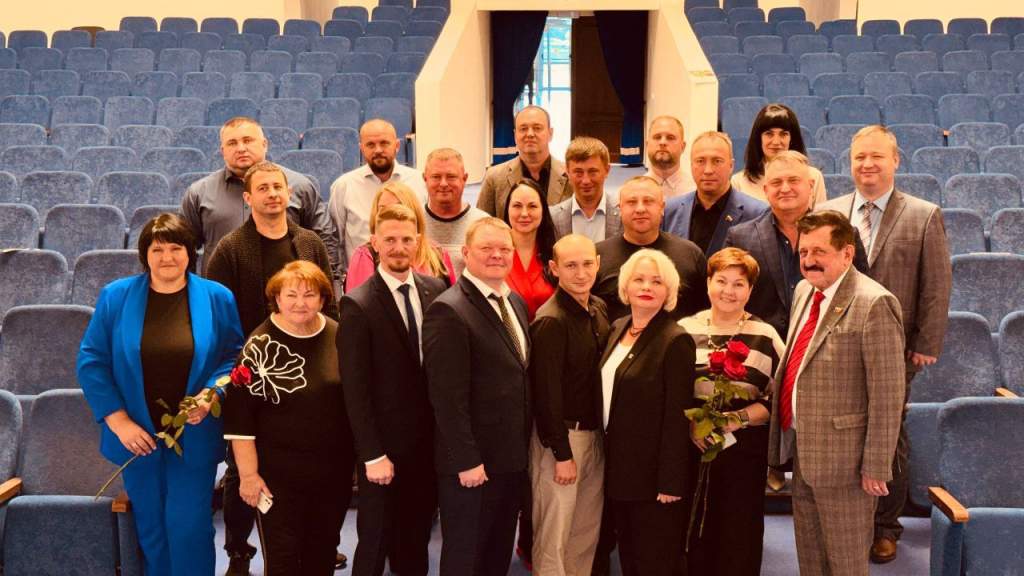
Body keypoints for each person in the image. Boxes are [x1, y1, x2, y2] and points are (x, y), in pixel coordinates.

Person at [77, 213, 245, 576]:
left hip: (194, 434)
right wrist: (119, 421)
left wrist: (210, 395)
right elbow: (92, 361)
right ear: (145, 255)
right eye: (157, 250)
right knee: (151, 530)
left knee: (189, 528)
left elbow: (233, 356)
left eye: (175, 248)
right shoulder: (116, 296)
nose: (167, 257)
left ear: (190, 252)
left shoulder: (217, 297)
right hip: (137, 437)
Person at [817, 125, 952, 564]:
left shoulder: (923, 214)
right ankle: (846, 521)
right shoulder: (829, 212)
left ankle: (885, 527)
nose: (867, 164)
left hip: (896, 348)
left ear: (895, 160)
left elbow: (936, 285)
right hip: (837, 347)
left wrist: (927, 341)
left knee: (888, 434)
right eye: (859, 157)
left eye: (876, 156)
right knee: (842, 434)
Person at [204, 161, 339, 575]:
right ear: (248, 198)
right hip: (253, 369)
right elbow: (219, 317)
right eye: (262, 188)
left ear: (289, 193)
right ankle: (239, 549)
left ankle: (310, 543)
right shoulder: (231, 248)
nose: (272, 195)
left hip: (311, 356)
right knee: (244, 468)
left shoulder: (309, 242)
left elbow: (328, 301)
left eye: (278, 187)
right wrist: (240, 367)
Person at [768, 210, 905, 576]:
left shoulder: (874, 302)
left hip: (849, 465)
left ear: (847, 253)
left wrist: (876, 466)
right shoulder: (804, 291)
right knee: (811, 561)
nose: (809, 261)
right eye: (803, 252)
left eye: (819, 252)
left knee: (846, 565)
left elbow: (888, 395)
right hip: (805, 452)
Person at [223, 261, 354, 575]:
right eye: (291, 295)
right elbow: (240, 422)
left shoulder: (339, 335)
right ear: (277, 299)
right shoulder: (258, 346)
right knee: (283, 560)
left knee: (322, 554)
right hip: (277, 478)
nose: (300, 303)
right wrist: (249, 477)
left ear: (322, 299)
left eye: (309, 295)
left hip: (332, 474)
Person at [339, 204, 447, 576]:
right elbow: (355, 389)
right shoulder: (358, 304)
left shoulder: (436, 289)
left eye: (406, 240)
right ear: (374, 243)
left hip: (426, 445)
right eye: (390, 240)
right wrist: (371, 454)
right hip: (382, 449)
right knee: (375, 539)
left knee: (415, 537)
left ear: (418, 242)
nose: (399, 248)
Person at [423, 217, 532, 575]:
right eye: (487, 248)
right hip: (472, 465)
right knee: (465, 558)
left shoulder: (513, 301)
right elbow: (446, 398)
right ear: (466, 253)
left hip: (510, 460)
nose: (497, 255)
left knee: (496, 556)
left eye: (504, 249)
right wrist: (466, 460)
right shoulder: (449, 310)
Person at [678, 247, 785, 576]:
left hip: (744, 451)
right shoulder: (683, 329)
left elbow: (780, 399)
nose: (729, 291)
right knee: (692, 531)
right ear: (708, 283)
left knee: (738, 535)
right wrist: (692, 425)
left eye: (739, 284)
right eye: (721, 281)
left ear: (750, 290)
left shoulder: (765, 335)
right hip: (691, 446)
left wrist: (735, 420)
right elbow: (667, 395)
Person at [599, 248, 694, 576]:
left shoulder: (675, 340)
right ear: (625, 287)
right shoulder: (618, 327)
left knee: (654, 561)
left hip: (654, 480)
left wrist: (671, 481)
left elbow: (677, 417)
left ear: (669, 291)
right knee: (629, 558)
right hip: (618, 472)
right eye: (638, 279)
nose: (646, 287)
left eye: (656, 281)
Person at [529, 234, 611, 576]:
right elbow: (545, 395)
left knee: (585, 530)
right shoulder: (552, 320)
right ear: (554, 268)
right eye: (571, 265)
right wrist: (562, 454)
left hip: (594, 436)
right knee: (555, 533)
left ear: (598, 264)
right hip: (562, 441)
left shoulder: (598, 308)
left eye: (588, 264)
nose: (581, 273)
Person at [725, 151, 869, 340]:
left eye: (793, 180)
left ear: (810, 186)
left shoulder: (844, 234)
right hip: (759, 348)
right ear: (766, 190)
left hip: (828, 346)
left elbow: (862, 294)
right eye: (776, 182)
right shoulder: (739, 238)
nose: (785, 188)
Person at [181, 116, 339, 279]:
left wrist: (328, 284)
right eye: (232, 143)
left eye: (248, 140)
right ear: (223, 151)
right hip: (222, 290)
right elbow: (184, 247)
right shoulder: (199, 193)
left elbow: (325, 238)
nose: (241, 148)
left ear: (265, 144)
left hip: (290, 290)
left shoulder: (300, 186)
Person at [594, 175, 709, 322]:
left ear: (662, 208)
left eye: (648, 201)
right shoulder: (597, 257)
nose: (640, 209)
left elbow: (706, 314)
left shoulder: (690, 254)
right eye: (631, 202)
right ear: (620, 208)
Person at [329, 118, 427, 274]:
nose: (378, 150)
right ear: (361, 148)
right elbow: (335, 241)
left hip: (414, 277)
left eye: (384, 143)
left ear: (397, 145)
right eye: (370, 145)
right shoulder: (344, 186)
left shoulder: (420, 182)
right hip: (361, 279)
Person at [662, 131, 768, 255]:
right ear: (691, 165)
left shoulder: (758, 214)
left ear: (731, 165)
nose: (708, 170)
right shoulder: (669, 211)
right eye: (700, 161)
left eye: (717, 161)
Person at [344, 181, 456, 292]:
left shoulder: (438, 254)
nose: (391, 213)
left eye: (398, 207)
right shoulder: (366, 256)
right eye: (383, 209)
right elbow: (359, 301)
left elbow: (451, 298)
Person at [477, 105, 572, 217]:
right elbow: (481, 224)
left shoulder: (571, 175)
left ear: (550, 133)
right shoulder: (494, 178)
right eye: (523, 129)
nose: (530, 134)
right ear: (515, 135)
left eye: (537, 128)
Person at [731, 103, 827, 205]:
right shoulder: (739, 182)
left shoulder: (814, 176)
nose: (776, 142)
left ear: (792, 139)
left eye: (783, 134)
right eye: (769, 134)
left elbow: (821, 215)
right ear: (759, 139)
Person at [422, 147, 489, 276]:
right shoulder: (413, 222)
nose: (443, 183)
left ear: (464, 178)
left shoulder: (483, 224)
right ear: (425, 179)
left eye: (451, 177)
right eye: (436, 177)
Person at [502, 178, 558, 320]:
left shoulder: (556, 254)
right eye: (517, 206)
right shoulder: (493, 253)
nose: (524, 213)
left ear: (543, 210)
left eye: (532, 206)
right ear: (507, 209)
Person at [550, 136, 622, 242]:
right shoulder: (553, 217)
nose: (586, 180)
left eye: (593, 172)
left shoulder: (623, 214)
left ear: (607, 170)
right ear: (567, 171)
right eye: (578, 172)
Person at [644, 115, 696, 197]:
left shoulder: (695, 191)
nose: (662, 142)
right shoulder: (632, 192)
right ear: (647, 145)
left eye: (670, 138)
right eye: (657, 137)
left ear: (682, 147)